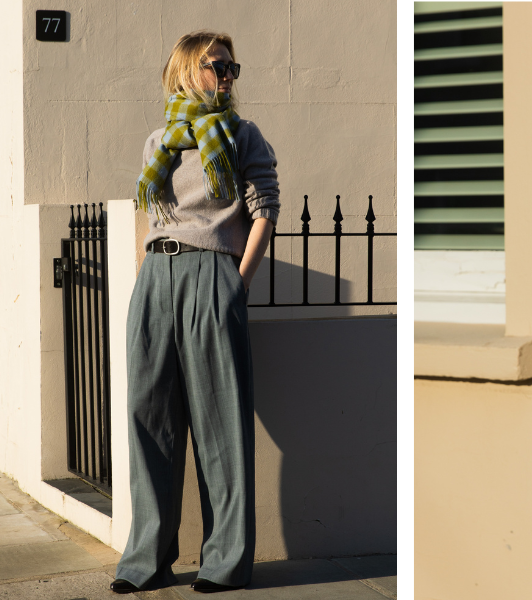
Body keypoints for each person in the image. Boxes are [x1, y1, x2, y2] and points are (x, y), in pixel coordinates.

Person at [110, 30, 279, 594]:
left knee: (221, 426)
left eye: (233, 69)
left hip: (213, 274)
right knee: (147, 419)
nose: (227, 77)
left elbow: (264, 211)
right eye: (217, 67)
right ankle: (146, 562)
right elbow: (145, 210)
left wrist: (236, 285)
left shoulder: (242, 135)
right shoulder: (159, 140)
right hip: (156, 278)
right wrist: (142, 275)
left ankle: (224, 562)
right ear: (187, 70)